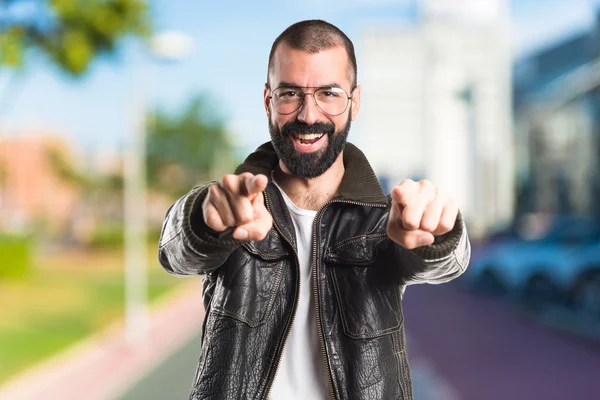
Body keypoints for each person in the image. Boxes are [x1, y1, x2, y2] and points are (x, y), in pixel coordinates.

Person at [159, 19, 470, 400]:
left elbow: (448, 262)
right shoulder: (232, 206)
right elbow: (174, 251)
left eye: (329, 93)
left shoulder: (384, 219)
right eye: (290, 93)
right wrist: (205, 221)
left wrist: (440, 233)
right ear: (267, 100)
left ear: (354, 101)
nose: (309, 115)